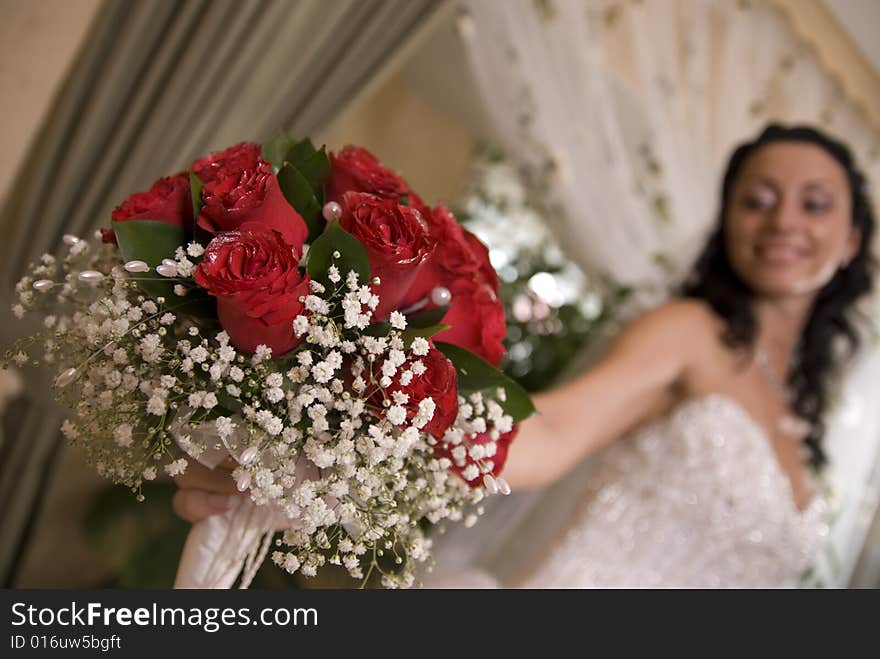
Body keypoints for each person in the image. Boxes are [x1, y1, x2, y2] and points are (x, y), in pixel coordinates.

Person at [173, 124, 876, 587]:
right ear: (729, 226)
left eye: (815, 204)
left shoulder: (798, 412)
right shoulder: (692, 331)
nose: (784, 219)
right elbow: (547, 438)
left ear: (850, 241)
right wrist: (351, 386)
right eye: (758, 199)